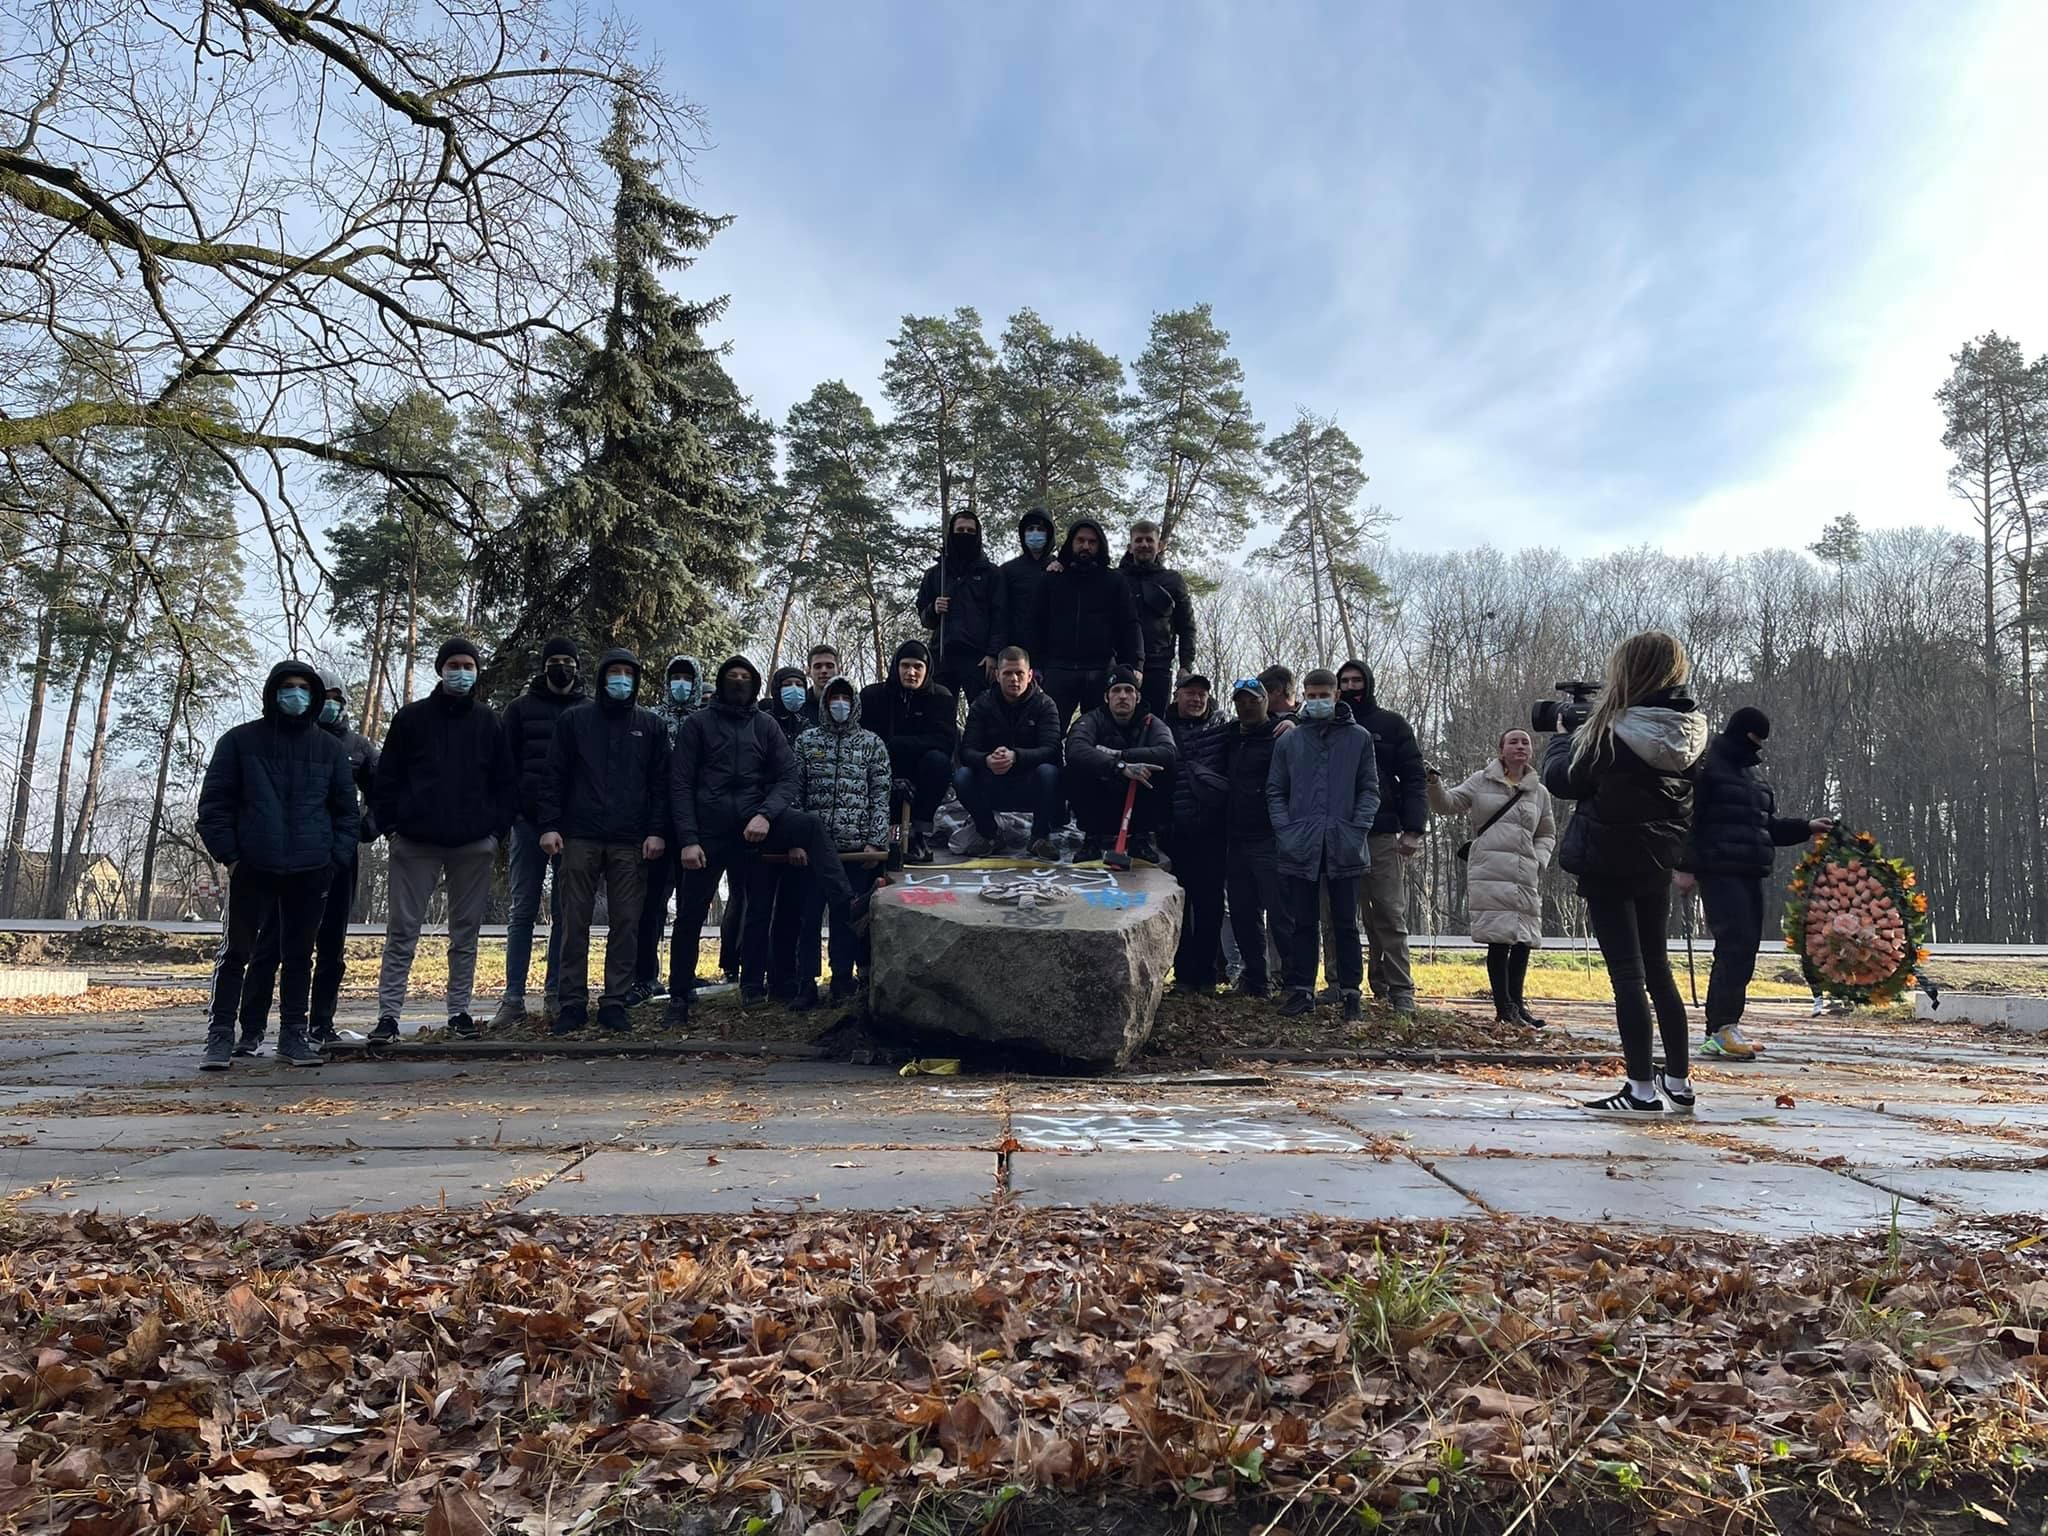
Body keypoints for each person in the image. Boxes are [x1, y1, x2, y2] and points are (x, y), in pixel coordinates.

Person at [1542, 629, 1709, 1117]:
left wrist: (1561, 736)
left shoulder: (1612, 734)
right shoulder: (1692, 731)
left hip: (1608, 860)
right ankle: (1678, 1080)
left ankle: (1639, 1089)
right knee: (1659, 969)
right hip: (1657, 859)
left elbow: (1562, 780)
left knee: (1627, 977)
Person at [665, 656, 859, 1028]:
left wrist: (766, 814)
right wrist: (688, 839)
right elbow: (680, 784)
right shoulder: (698, 725)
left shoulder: (765, 725)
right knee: (690, 914)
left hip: (757, 825)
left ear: (755, 687)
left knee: (809, 829)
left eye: (745, 678)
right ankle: (678, 995)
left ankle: (846, 904)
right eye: (732, 677)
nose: (738, 682)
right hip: (709, 832)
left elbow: (787, 775)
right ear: (720, 682)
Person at [195, 660, 360, 1070]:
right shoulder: (239, 742)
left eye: (304, 687)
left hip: (311, 869)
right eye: (287, 686)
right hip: (253, 865)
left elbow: (346, 812)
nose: (296, 695)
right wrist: (231, 857)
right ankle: (220, 1035)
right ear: (273, 691)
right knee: (237, 953)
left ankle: (293, 1034)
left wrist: (332, 860)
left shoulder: (329, 750)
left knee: (300, 955)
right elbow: (214, 806)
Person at [371, 637, 518, 1043]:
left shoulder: (489, 722)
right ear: (440, 669)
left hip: (473, 844)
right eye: (454, 664)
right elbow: (387, 779)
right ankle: (388, 1016)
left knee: (466, 932)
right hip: (414, 842)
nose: (461, 672)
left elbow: (506, 783)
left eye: (468, 665)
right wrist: (392, 827)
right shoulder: (410, 719)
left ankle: (459, 1012)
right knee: (402, 930)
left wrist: (494, 832)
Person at [233, 671, 379, 1053]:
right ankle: (251, 1029)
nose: (324, 701)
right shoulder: (281, 741)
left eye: (335, 696)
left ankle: (319, 1024)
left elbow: (384, 793)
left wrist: (364, 831)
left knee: (331, 946)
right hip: (285, 860)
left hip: (336, 860)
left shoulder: (357, 747)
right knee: (272, 945)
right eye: (320, 694)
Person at [1676, 706, 1831, 1060]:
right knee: (1733, 946)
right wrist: (1684, 867)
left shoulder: (1753, 778)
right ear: (1741, 733)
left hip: (1750, 870)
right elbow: (1689, 820)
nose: (1758, 746)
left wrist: (1806, 827)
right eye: (1754, 739)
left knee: (1746, 949)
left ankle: (1729, 1024)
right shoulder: (1706, 767)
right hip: (1718, 869)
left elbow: (1765, 828)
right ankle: (1720, 1029)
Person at [538, 650, 669, 1035]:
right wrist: (549, 825)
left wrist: (656, 831)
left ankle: (615, 1001)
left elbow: (661, 784)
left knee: (626, 923)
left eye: (629, 673)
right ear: (601, 677)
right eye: (615, 672)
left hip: (631, 842)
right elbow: (554, 776)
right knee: (573, 922)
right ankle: (571, 1003)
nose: (621, 680)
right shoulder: (575, 720)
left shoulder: (651, 725)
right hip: (578, 837)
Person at [1267, 668, 1380, 1021]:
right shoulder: (1290, 740)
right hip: (1300, 845)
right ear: (1303, 696)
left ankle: (1350, 993)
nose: (1317, 702)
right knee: (1302, 921)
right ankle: (1301, 990)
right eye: (1311, 696)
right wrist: (1286, 830)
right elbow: (1275, 790)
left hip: (1344, 845)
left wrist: (1356, 828)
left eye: (1324, 696)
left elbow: (1369, 789)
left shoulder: (1359, 738)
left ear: (1336, 696)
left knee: (1345, 923)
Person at [1429, 730, 1557, 1026]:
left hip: (1524, 873)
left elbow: (1547, 832)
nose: (1520, 746)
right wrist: (1433, 784)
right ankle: (1504, 1008)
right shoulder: (1481, 781)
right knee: (1499, 940)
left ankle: (1518, 1005)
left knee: (1524, 940)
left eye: (1525, 742)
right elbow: (1446, 804)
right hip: (1491, 870)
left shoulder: (1539, 792)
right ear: (1501, 749)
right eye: (1513, 741)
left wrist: (1539, 860)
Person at [494, 636, 583, 1028]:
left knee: (566, 914)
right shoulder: (519, 710)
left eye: (568, 660)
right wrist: (515, 812)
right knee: (523, 910)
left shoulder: (586, 711)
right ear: (543, 666)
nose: (561, 667)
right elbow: (504, 765)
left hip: (574, 826)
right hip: (528, 824)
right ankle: (513, 997)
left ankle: (555, 994)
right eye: (554, 660)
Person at [793, 676, 891, 1008]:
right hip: (813, 853)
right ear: (824, 703)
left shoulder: (872, 744)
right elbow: (795, 796)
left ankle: (841, 981)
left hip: (855, 852)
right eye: (833, 698)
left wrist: (874, 843)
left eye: (845, 699)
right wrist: (796, 842)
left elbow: (880, 796)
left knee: (845, 919)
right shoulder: (806, 742)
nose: (839, 704)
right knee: (807, 919)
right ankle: (805, 984)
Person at [1337, 661, 1427, 1015]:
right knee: (1340, 917)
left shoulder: (1392, 724)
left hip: (1383, 832)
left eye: (1357, 680)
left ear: (1368, 682)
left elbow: (1414, 778)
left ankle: (1399, 988)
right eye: (1344, 681)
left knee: (1388, 913)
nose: (1351, 686)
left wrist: (1414, 829)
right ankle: (1341, 984)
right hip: (1340, 833)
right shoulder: (1329, 726)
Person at [628, 655, 706, 1006]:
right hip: (657, 825)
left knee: (692, 906)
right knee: (651, 904)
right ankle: (644, 975)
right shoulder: (650, 719)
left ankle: (683, 975)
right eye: (674, 677)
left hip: (696, 825)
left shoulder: (706, 720)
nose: (681, 684)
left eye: (687, 678)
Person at [956, 646, 1065, 859]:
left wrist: (1016, 756)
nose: (1014, 679)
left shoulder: (1045, 704)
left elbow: (1052, 750)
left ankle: (1040, 837)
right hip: (993, 782)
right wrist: (986, 759)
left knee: (1050, 772)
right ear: (997, 675)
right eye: (1007, 673)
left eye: (1019, 673)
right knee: (962, 776)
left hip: (1031, 784)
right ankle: (990, 835)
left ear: (1030, 674)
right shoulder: (982, 704)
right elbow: (966, 750)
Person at [1220, 678, 1293, 997]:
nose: (1247, 705)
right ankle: (1256, 979)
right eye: (1241, 700)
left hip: (1271, 839)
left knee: (1281, 915)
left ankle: (1294, 982)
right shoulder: (1230, 737)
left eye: (1253, 699)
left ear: (1266, 701)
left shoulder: (1283, 735)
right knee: (1243, 914)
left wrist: (1294, 721)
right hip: (1235, 838)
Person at [1035, 517, 1143, 730]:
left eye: (1092, 542)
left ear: (1100, 545)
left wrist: (1135, 664)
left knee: (1100, 734)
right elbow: (1035, 623)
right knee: (1049, 732)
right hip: (1058, 670)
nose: (1085, 546)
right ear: (1071, 543)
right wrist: (1035, 664)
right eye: (1081, 540)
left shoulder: (1115, 581)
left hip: (1100, 670)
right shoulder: (1051, 579)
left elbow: (1129, 624)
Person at [1064, 667, 1178, 865]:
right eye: (1116, 691)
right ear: (1107, 697)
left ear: (1138, 697)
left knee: (1164, 770)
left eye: (1128, 690)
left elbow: (1168, 752)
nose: (1123, 696)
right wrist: (1119, 766)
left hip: (1139, 800)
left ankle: (1141, 839)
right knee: (1076, 769)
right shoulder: (1092, 719)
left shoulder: (1153, 723)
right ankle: (1092, 838)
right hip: (1102, 798)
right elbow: (1075, 749)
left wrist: (1123, 756)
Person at [859, 640, 958, 865]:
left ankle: (918, 832)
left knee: (938, 762)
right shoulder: (873, 696)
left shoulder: (941, 698)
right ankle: (886, 835)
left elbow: (945, 740)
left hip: (923, 768)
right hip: (884, 766)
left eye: (917, 667)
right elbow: (865, 738)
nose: (911, 672)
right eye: (905, 666)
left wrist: (900, 744)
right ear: (896, 667)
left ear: (927, 670)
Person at [1165, 674, 1229, 993]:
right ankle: (1183, 974)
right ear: (1177, 696)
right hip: (1173, 831)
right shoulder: (1160, 727)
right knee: (1178, 905)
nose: (1196, 699)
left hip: (1212, 831)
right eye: (1190, 693)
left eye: (1202, 693)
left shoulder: (1222, 728)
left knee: (1210, 906)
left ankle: (1207, 975)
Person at [917, 510, 1000, 706]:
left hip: (979, 658)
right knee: (940, 714)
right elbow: (924, 618)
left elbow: (1000, 616)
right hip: (942, 655)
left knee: (984, 714)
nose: (965, 534)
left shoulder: (991, 574)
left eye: (970, 531)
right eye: (960, 530)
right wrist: (933, 609)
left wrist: (994, 654)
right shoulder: (936, 573)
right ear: (951, 533)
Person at [1121, 520, 1197, 721]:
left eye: (1149, 540)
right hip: (1122, 666)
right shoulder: (1117, 579)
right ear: (1130, 546)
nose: (1144, 545)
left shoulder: (1173, 581)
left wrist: (1186, 665)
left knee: (1154, 725)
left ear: (1160, 545)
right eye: (1138, 540)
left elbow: (1187, 626)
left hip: (1159, 667)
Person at [991, 507, 1057, 661]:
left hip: (1054, 656)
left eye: (1040, 529)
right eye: (1030, 529)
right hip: (1017, 655)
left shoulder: (1060, 570)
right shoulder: (1008, 571)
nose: (1035, 533)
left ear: (1049, 533)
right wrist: (995, 652)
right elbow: (999, 614)